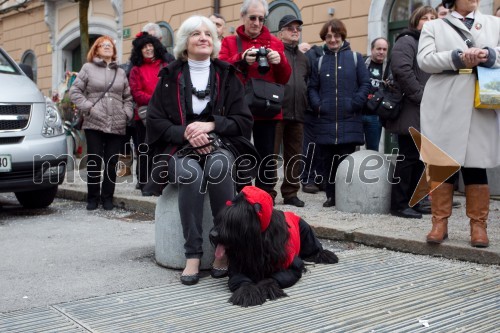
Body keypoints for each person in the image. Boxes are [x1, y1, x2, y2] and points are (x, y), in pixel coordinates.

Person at [146, 15, 253, 285]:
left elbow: (243, 120)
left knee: (219, 168)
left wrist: (211, 125)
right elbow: (155, 120)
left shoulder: (227, 75)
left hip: (220, 144)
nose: (204, 37)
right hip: (177, 149)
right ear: (185, 42)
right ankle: (192, 254)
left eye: (208, 33)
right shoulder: (170, 75)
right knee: (191, 174)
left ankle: (222, 249)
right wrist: (185, 132)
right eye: (196, 33)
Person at [417, 0, 500, 247]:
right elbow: (425, 60)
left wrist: (489, 54)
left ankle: (478, 227)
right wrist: (458, 57)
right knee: (442, 163)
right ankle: (439, 223)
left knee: (477, 163)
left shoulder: (494, 23)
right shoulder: (434, 27)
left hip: (480, 101)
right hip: (445, 100)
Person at [219, 0, 291, 199]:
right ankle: (244, 196)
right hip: (239, 109)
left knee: (267, 156)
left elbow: (284, 78)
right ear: (243, 17)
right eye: (252, 18)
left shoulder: (275, 43)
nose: (257, 23)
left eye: (261, 18)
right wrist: (241, 58)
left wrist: (280, 61)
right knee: (241, 154)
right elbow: (220, 69)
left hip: (267, 109)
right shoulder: (230, 43)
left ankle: (266, 197)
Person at [307, 19, 371, 208]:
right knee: (328, 162)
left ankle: (347, 196)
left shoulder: (355, 58)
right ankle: (331, 196)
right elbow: (312, 88)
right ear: (324, 39)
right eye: (328, 36)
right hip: (326, 121)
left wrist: (355, 103)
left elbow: (365, 83)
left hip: (349, 119)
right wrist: (318, 105)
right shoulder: (319, 62)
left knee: (346, 162)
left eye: (336, 35)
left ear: (342, 36)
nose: (333, 39)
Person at [69, 36, 133, 211]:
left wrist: (126, 112)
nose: (107, 47)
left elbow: (128, 97)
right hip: (94, 121)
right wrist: (88, 107)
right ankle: (92, 198)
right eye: (102, 45)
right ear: (96, 50)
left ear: (113, 51)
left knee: (112, 161)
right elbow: (74, 91)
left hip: (117, 122)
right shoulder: (88, 68)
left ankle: (107, 198)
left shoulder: (120, 72)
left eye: (109, 45)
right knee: (95, 161)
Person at [386, 6, 437, 219]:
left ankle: (413, 200)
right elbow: (402, 70)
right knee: (407, 159)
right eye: (424, 18)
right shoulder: (406, 41)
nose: (429, 21)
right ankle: (398, 204)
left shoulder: (431, 45)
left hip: (426, 111)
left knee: (419, 160)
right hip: (411, 109)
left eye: (433, 18)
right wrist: (421, 95)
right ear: (415, 21)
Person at [270, 15, 309, 207]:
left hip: (298, 112)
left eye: (298, 28)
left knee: (295, 156)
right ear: (280, 33)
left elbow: (306, 82)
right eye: (290, 28)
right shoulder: (275, 53)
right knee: (271, 154)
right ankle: (268, 192)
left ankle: (291, 192)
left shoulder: (303, 58)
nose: (295, 31)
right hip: (276, 112)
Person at [128, 32, 171, 195]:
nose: (148, 49)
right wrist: (156, 99)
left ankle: (161, 183)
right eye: (144, 47)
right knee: (144, 151)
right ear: (139, 50)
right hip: (144, 117)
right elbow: (136, 93)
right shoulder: (136, 70)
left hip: (164, 115)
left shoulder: (165, 65)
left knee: (162, 150)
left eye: (150, 45)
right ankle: (144, 183)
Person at [301, 42, 327, 194]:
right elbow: (308, 84)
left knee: (322, 147)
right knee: (310, 147)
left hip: (323, 110)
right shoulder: (312, 56)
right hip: (311, 109)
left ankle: (318, 179)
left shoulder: (332, 56)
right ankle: (308, 179)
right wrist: (314, 103)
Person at [362, 37, 389, 151]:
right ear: (372, 49)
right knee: (350, 149)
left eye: (384, 49)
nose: (381, 52)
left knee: (372, 151)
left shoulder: (389, 68)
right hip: (357, 113)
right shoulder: (362, 63)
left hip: (375, 116)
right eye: (378, 49)